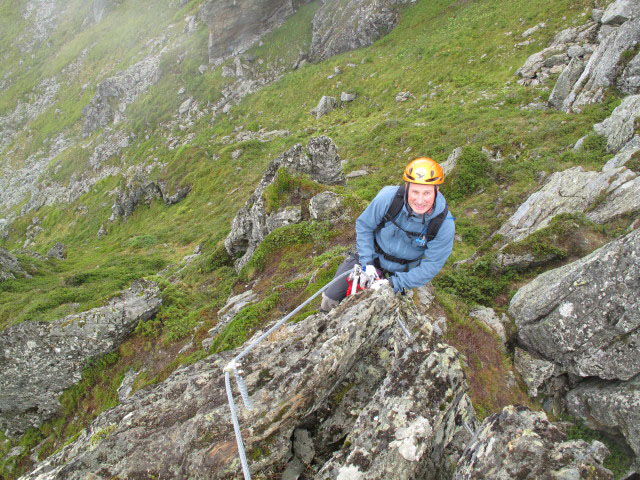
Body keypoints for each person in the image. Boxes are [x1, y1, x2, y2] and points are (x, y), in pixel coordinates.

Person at [321, 157, 455, 311]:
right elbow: (365, 226)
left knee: (376, 314)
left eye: (427, 193)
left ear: (436, 190)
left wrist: (392, 283)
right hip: (372, 257)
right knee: (329, 298)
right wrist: (367, 263)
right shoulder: (388, 199)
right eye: (415, 191)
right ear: (407, 187)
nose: (420, 200)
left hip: (401, 274)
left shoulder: (443, 224)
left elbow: (431, 266)